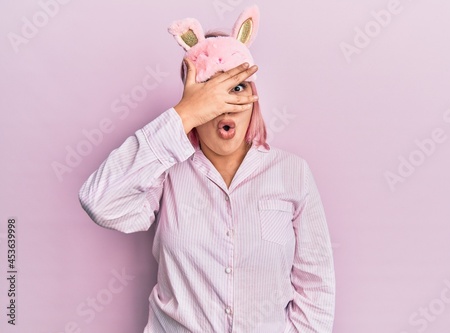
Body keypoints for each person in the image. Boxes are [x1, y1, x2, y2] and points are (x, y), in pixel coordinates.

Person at [78, 5, 335, 333]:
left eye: (236, 88)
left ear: (253, 98)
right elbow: (99, 201)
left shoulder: (292, 173)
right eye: (210, 92)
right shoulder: (166, 172)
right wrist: (184, 114)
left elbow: (315, 286)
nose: (223, 104)